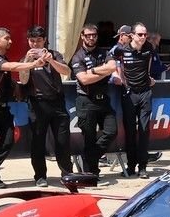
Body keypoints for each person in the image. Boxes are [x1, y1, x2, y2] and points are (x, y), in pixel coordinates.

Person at [0, 27, 46, 190]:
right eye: (7, 38)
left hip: (3, 106)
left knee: (8, 140)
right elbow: (12, 67)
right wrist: (33, 63)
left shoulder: (2, 58)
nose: (10, 41)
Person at [17, 25, 73, 187]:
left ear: (45, 41)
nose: (35, 45)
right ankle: (40, 176)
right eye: (32, 41)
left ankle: (67, 174)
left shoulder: (54, 55)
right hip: (37, 104)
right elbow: (24, 79)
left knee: (62, 141)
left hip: (57, 102)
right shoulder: (25, 59)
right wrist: (29, 61)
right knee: (38, 142)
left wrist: (50, 60)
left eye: (39, 41)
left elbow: (66, 71)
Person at [70, 23, 118, 181]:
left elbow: (112, 66)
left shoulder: (104, 52)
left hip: (104, 101)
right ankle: (91, 172)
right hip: (86, 101)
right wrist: (102, 72)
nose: (91, 38)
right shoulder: (77, 57)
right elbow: (84, 79)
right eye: (88, 35)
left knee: (111, 131)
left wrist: (93, 71)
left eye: (94, 35)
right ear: (82, 36)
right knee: (89, 137)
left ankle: (91, 157)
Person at [112, 23, 156, 178]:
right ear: (132, 35)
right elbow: (112, 61)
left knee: (144, 130)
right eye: (140, 34)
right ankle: (131, 166)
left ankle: (142, 167)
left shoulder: (149, 47)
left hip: (145, 92)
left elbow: (150, 65)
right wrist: (118, 77)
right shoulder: (121, 49)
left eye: (145, 34)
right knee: (130, 131)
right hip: (129, 93)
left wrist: (150, 78)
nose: (143, 37)